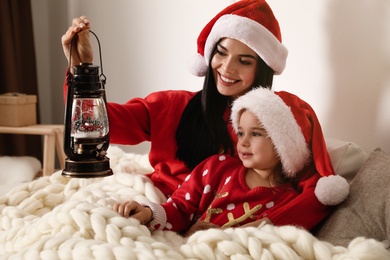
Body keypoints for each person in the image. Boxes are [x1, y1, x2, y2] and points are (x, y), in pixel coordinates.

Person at [61, 0, 344, 231]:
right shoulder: (172, 105)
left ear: (263, 69)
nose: (227, 68)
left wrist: (259, 228)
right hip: (160, 210)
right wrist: (82, 70)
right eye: (221, 53)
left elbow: (314, 192)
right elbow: (97, 125)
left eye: (244, 61)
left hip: (224, 227)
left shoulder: (275, 128)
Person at [112, 88, 349, 235]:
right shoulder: (217, 167)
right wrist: (148, 213)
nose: (243, 142)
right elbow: (180, 209)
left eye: (255, 134)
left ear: (282, 146)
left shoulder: (284, 201)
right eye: (241, 132)